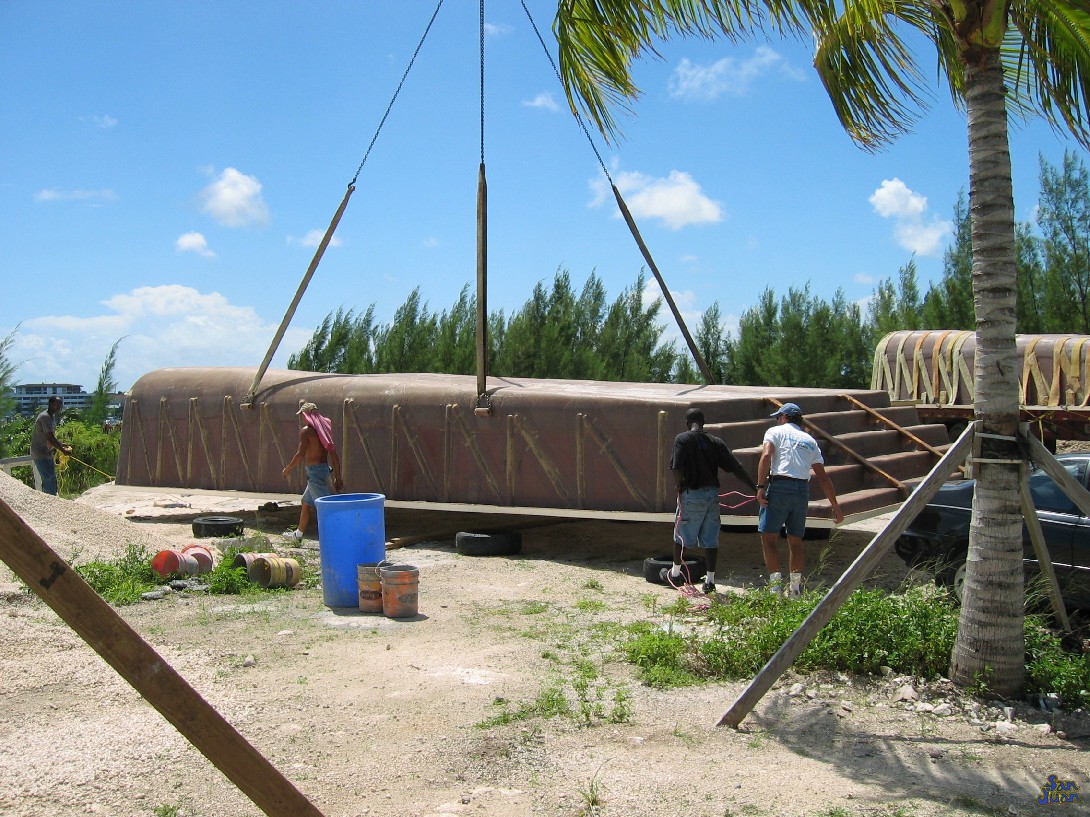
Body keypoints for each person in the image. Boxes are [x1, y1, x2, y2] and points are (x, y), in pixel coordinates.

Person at [663, 406, 758, 595]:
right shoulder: (716, 442)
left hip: (692, 493)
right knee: (711, 538)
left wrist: (679, 485)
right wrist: (755, 489)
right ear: (704, 423)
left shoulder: (682, 439)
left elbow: (676, 467)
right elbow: (736, 467)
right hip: (712, 495)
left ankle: (674, 574)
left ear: (687, 423)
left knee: (681, 534)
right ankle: (710, 581)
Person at [756, 402, 844, 597]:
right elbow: (822, 476)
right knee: (795, 540)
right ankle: (795, 590)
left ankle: (775, 589)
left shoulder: (774, 432)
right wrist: (835, 506)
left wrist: (760, 487)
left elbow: (766, 456)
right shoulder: (810, 440)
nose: (776, 420)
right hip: (802, 490)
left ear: (784, 417)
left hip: (780, 485)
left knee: (769, 537)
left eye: (777, 417)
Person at [282, 401, 343, 542]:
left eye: (302, 415)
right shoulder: (324, 430)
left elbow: (300, 455)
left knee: (326, 508)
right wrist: (338, 477)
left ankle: (335, 538)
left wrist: (288, 469)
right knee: (306, 503)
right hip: (324, 470)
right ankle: (298, 535)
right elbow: (333, 454)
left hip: (315, 473)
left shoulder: (307, 431)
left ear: (306, 416)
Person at [30, 396, 73, 496]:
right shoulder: (44, 417)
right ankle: (50, 500)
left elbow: (51, 437)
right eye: (56, 404)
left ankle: (50, 498)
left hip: (47, 452)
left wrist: (60, 444)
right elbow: (50, 437)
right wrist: (63, 450)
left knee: (51, 478)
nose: (58, 407)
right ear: (50, 404)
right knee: (48, 478)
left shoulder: (51, 417)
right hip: (40, 453)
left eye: (60, 405)